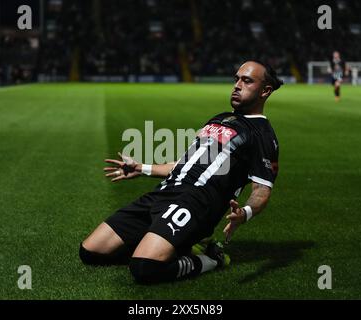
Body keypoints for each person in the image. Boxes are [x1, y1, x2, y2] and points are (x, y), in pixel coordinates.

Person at [79, 61, 283, 284]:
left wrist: (245, 213)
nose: (237, 85)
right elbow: (185, 163)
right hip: (163, 193)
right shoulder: (220, 118)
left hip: (195, 203)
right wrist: (142, 168)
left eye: (247, 80)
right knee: (90, 252)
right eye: (236, 79)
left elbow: (262, 190)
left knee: (144, 267)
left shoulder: (262, 134)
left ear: (265, 91)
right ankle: (171, 245)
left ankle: (211, 258)